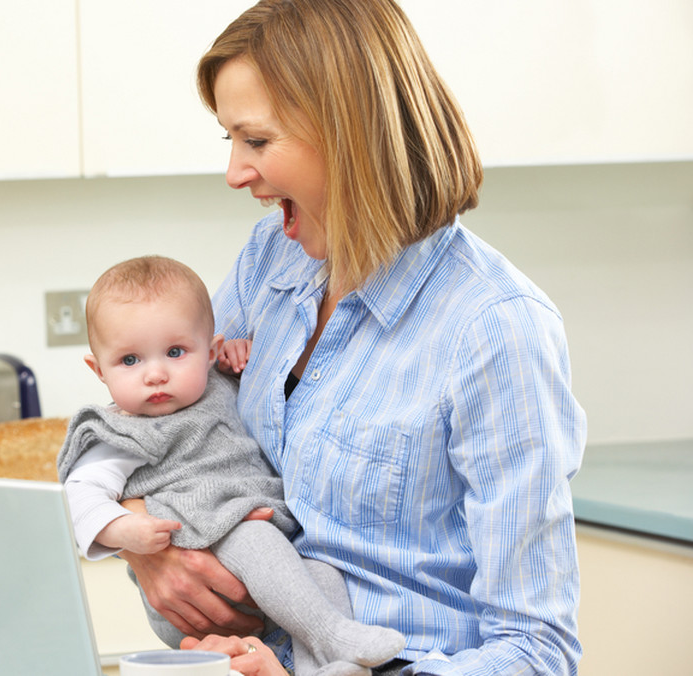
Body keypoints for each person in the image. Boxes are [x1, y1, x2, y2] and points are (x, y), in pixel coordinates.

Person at [121, 2, 587, 675]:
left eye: (256, 141)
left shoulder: (494, 329)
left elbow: (539, 653)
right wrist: (147, 549)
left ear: (350, 133)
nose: (235, 173)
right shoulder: (268, 263)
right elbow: (162, 431)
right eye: (229, 140)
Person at [57, 255, 405, 675]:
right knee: (252, 534)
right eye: (130, 361)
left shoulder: (218, 385)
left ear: (209, 350)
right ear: (98, 371)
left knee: (324, 573)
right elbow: (79, 495)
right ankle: (333, 637)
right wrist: (125, 532)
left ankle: (324, 667)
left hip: (267, 563)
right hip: (196, 580)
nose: (156, 374)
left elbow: (260, 382)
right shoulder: (121, 433)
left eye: (175, 352)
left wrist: (241, 357)